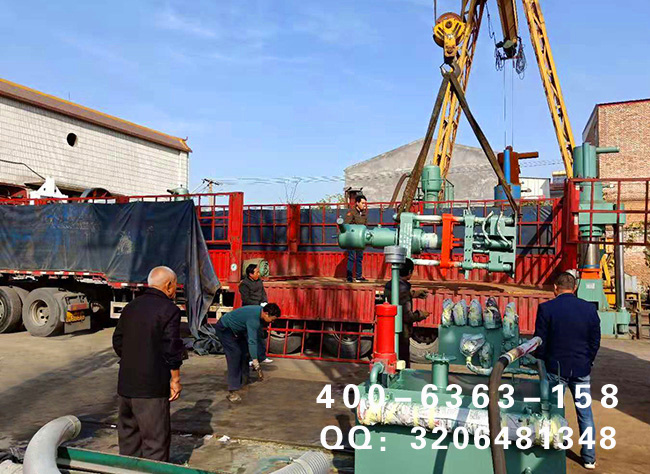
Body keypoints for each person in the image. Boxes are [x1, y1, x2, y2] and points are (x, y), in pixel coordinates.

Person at [112, 266, 183, 462]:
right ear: (168, 285)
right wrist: (175, 380)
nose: (175, 290)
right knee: (155, 443)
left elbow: (117, 340)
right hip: (151, 389)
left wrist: (134, 359)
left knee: (128, 441)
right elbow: (172, 347)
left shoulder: (131, 306)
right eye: (175, 286)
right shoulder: (169, 310)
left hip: (126, 385)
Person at [534, 272, 601, 470]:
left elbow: (540, 341)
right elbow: (595, 341)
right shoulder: (589, 309)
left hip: (555, 370)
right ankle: (589, 458)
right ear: (575, 288)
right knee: (585, 413)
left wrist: (541, 361)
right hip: (582, 370)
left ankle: (554, 450)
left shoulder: (546, 309)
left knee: (554, 410)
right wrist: (588, 360)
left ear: (555, 288)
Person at [214, 303, 281, 403]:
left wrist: (255, 355)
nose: (272, 321)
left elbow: (256, 337)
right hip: (225, 328)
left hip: (238, 330)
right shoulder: (253, 319)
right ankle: (233, 390)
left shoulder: (260, 313)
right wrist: (255, 360)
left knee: (245, 352)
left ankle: (244, 380)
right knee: (235, 354)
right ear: (266, 314)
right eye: (272, 319)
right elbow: (252, 341)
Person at [383, 258, 429, 367]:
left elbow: (396, 297)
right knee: (402, 362)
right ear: (409, 272)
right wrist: (421, 315)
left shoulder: (390, 284)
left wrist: (413, 294)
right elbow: (407, 316)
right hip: (401, 332)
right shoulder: (403, 289)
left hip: (388, 329)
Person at [239, 263, 273, 365]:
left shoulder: (259, 281)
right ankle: (250, 358)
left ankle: (262, 356)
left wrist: (265, 302)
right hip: (250, 311)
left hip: (260, 309)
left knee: (260, 334)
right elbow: (246, 299)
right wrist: (257, 304)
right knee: (250, 336)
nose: (259, 274)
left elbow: (263, 293)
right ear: (250, 274)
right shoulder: (244, 284)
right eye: (257, 272)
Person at [344, 194, 368, 282]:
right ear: (357, 203)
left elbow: (365, 226)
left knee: (359, 258)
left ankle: (358, 276)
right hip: (352, 239)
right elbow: (346, 225)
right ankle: (349, 277)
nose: (364, 205)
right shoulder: (351, 213)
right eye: (362, 203)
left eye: (365, 203)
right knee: (351, 257)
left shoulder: (364, 214)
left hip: (360, 239)